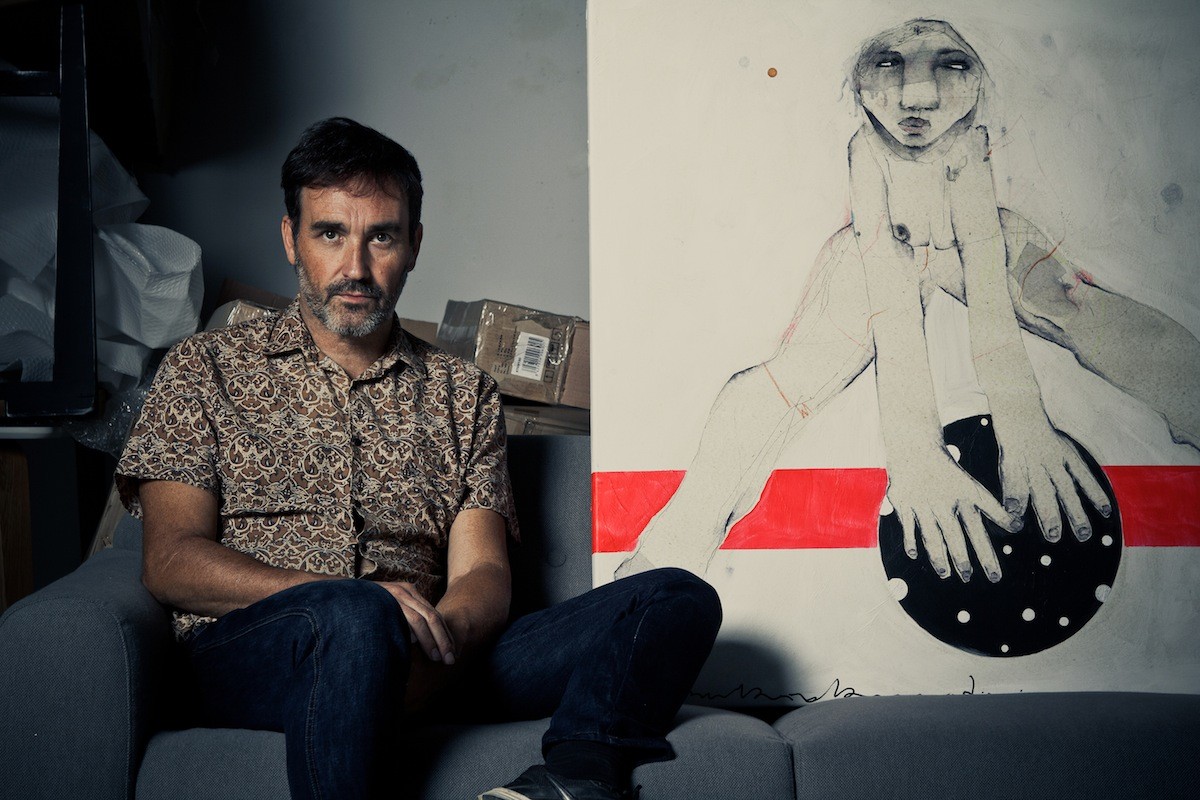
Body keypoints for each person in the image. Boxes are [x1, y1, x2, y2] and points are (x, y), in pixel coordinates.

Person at [116, 116, 721, 800]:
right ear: (290, 239)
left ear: (414, 246)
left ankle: (570, 781)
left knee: (675, 597)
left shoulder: (464, 393)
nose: (355, 267)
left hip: (424, 655)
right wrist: (354, 604)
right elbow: (170, 561)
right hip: (254, 652)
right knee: (355, 618)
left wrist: (439, 644)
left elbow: (482, 570)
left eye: (382, 236)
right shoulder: (203, 368)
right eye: (330, 233)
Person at [617, 18, 1200, 583]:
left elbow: (984, 262)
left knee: (1086, 311)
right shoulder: (866, 151)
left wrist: (1022, 416)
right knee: (787, 382)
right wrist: (914, 450)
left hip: (979, 241)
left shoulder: (970, 145)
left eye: (952, 64)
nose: (916, 94)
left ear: (978, 81)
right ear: (858, 83)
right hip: (877, 252)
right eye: (888, 63)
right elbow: (889, 294)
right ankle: (664, 557)